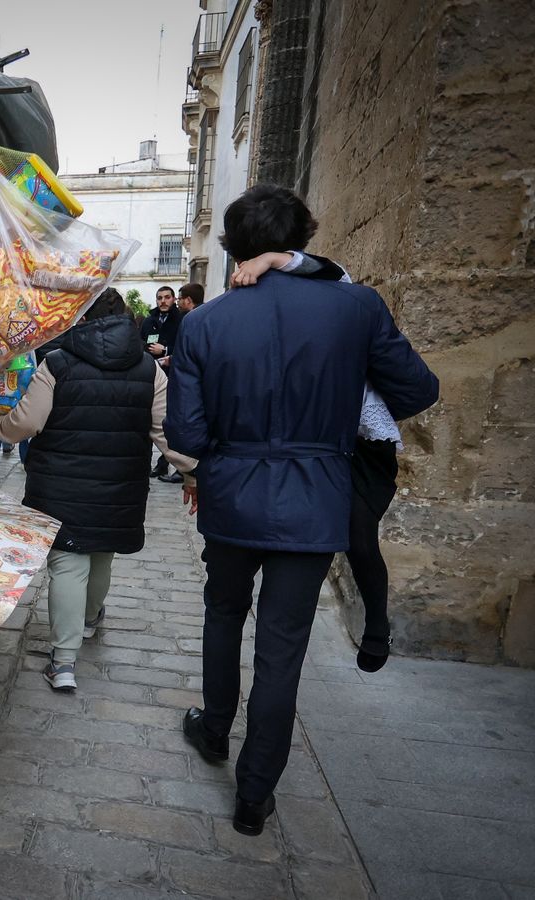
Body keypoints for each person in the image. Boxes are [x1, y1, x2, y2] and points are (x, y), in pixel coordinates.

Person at [166, 186, 438, 837]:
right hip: (317, 499)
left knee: (224, 611)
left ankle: (213, 729)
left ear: (233, 249)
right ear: (303, 242)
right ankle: (254, 795)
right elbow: (417, 388)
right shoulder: (356, 307)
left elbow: (188, 436)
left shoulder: (204, 323)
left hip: (233, 497)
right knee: (282, 648)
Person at [0, 289, 197, 691]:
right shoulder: (148, 368)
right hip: (121, 484)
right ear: (126, 319)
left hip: (59, 484)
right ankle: (88, 620)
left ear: (79, 319)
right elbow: (166, 431)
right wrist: (192, 472)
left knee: (68, 561)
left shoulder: (58, 363)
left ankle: (63, 663)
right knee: (103, 553)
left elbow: (29, 422)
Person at [231, 251, 400, 672]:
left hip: (362, 442)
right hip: (322, 438)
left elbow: (334, 271)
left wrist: (272, 258)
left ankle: (377, 628)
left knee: (360, 536)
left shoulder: (347, 302)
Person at [142, 286, 186, 482]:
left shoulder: (182, 319)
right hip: (151, 372)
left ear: (174, 298)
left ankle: (176, 464)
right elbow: (140, 340)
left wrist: (165, 349)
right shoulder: (149, 320)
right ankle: (160, 465)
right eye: (159, 298)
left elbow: (186, 347)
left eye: (167, 297)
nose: (163, 301)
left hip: (174, 375)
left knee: (171, 420)